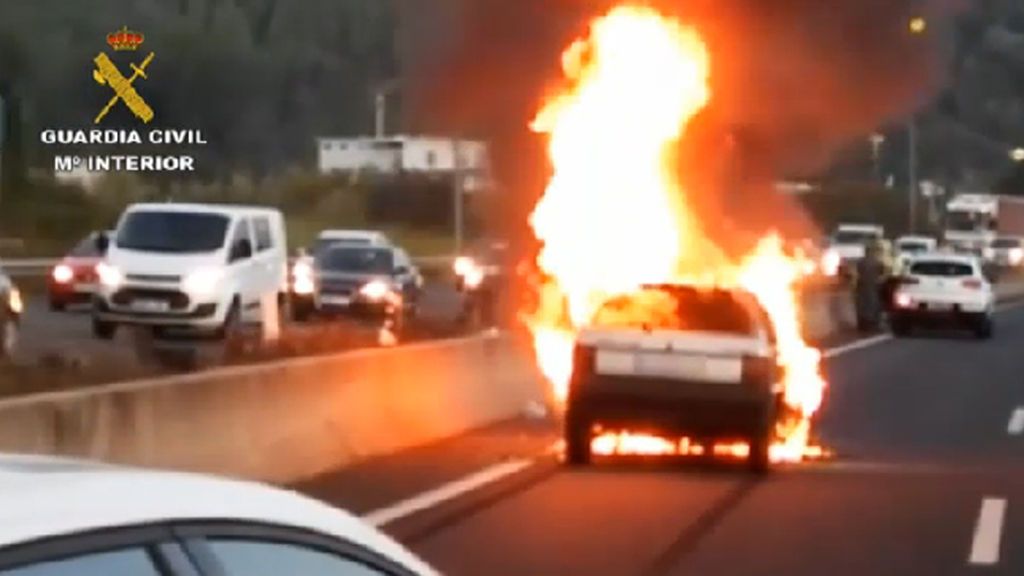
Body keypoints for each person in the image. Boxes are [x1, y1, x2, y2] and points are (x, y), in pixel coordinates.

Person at [854, 240, 884, 332]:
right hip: (873, 285)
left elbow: (858, 271)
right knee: (873, 304)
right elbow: (881, 271)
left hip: (863, 285)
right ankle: (873, 323)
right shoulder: (876, 262)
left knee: (862, 304)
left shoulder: (861, 262)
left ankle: (864, 323)